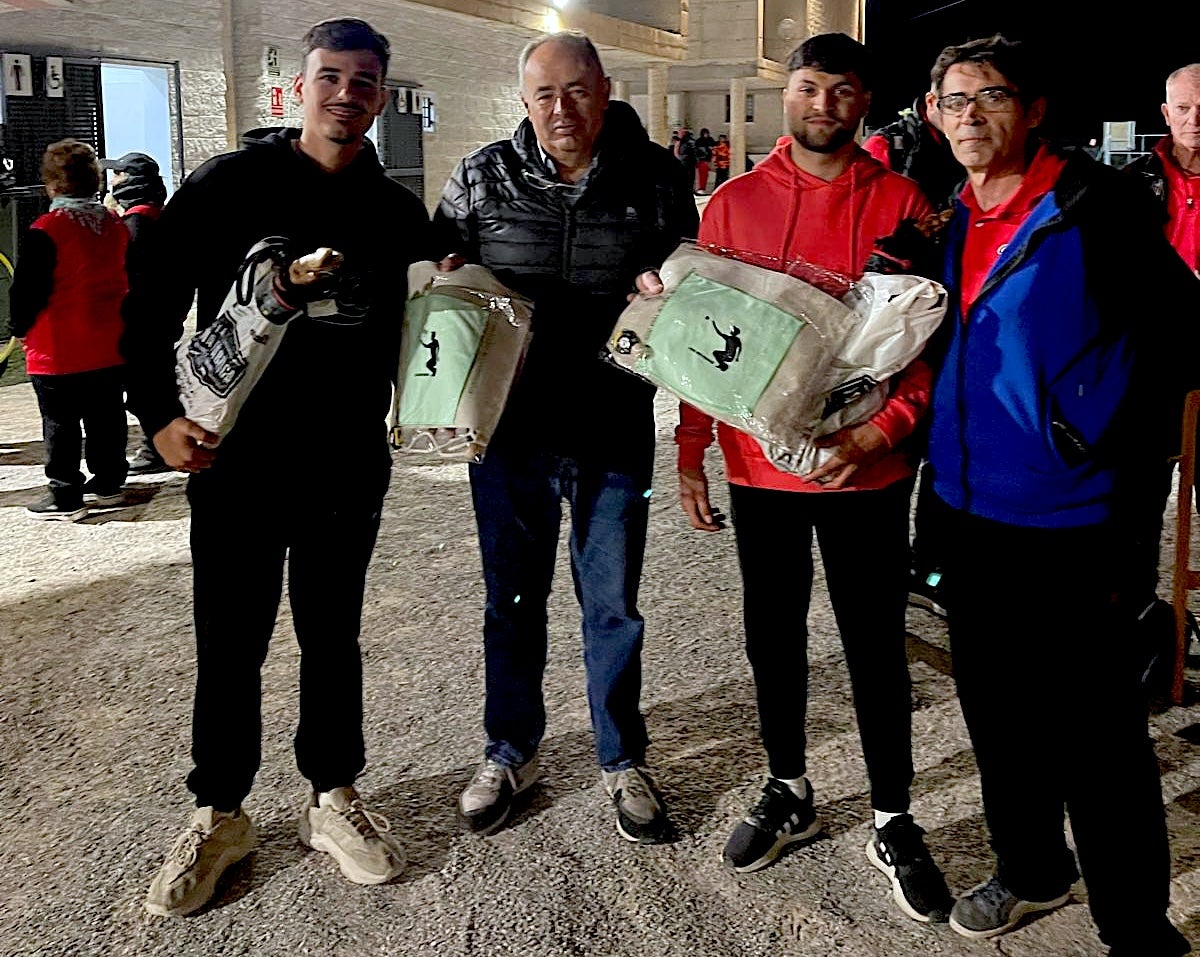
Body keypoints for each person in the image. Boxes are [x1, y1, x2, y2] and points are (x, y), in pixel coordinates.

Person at [125, 17, 433, 917]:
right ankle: (219, 812)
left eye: (364, 80)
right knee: (231, 641)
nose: (347, 94)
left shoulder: (396, 213)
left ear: (382, 95)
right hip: (238, 459)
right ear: (299, 87)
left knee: (332, 636)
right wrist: (159, 416)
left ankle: (332, 796)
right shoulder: (229, 186)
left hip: (345, 461)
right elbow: (150, 302)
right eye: (330, 76)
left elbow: (434, 329)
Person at [924, 35, 1196, 955]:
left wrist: (1091, 435)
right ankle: (1034, 869)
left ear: (1033, 110)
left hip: (1074, 522)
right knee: (998, 716)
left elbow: (1183, 337)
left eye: (991, 96)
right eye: (954, 100)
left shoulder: (1095, 206)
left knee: (1099, 740)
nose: (970, 115)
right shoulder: (951, 214)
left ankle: (1138, 929)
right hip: (969, 511)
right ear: (934, 116)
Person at [675, 32, 952, 924]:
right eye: (807, 87)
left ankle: (892, 814)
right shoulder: (733, 205)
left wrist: (880, 433)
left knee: (873, 642)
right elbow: (704, 345)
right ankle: (788, 786)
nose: (822, 105)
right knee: (773, 635)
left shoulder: (905, 204)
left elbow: (926, 347)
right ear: (784, 94)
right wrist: (691, 449)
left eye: (840, 90)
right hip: (760, 470)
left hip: (868, 472)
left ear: (864, 102)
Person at [433, 30, 698, 844]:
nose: (562, 109)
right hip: (510, 429)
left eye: (577, 90)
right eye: (545, 93)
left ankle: (621, 756)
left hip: (613, 424)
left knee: (612, 603)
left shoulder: (656, 178)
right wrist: (456, 279)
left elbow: (686, 277)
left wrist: (665, 285)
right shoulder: (481, 177)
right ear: (524, 99)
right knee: (511, 600)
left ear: (605, 89)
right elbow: (444, 271)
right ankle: (510, 750)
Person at [863, 87, 963, 619]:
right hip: (902, 314)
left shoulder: (975, 152)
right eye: (955, 102)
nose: (968, 115)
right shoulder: (891, 147)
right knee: (898, 449)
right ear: (930, 103)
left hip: (952, 316)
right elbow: (871, 235)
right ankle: (897, 572)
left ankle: (930, 567)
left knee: (942, 449)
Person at [12, 138, 129, 521]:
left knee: (60, 421)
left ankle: (65, 493)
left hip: (58, 345)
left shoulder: (46, 228)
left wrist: (19, 327)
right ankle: (109, 482)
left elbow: (27, 290)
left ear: (51, 184)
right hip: (109, 340)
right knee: (106, 416)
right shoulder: (113, 224)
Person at [102, 150, 171, 474]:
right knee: (154, 382)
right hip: (160, 317)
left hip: (140, 319)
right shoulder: (158, 216)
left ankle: (156, 447)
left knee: (145, 388)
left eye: (117, 174)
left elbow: (127, 274)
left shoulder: (136, 224)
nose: (112, 181)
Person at [695, 127, 716, 192]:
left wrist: (712, 148)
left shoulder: (710, 139)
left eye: (707, 133)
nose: (706, 135)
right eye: (704, 134)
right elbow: (697, 150)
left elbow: (714, 146)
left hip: (709, 159)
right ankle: (701, 188)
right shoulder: (699, 141)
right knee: (702, 175)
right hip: (702, 160)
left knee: (705, 175)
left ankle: (703, 188)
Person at [677, 127, 698, 193]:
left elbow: (694, 151)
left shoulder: (691, 141)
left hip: (690, 161)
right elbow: (677, 151)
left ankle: (690, 190)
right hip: (685, 161)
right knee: (686, 177)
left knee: (691, 177)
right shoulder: (680, 141)